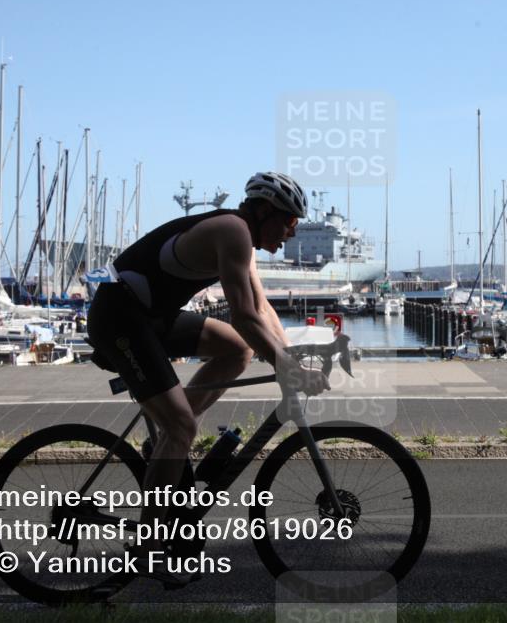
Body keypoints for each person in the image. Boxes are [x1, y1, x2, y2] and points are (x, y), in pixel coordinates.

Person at [86, 171, 330, 584]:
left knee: (238, 349)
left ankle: (169, 436)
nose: (290, 235)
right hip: (120, 318)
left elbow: (262, 308)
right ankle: (148, 549)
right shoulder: (232, 231)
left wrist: (288, 357)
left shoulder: (243, 240)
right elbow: (243, 315)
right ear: (266, 211)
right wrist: (286, 367)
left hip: (150, 317)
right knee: (182, 425)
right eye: (289, 224)